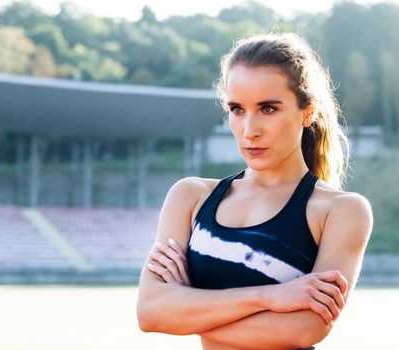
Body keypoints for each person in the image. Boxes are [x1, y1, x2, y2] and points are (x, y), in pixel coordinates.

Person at [136, 32, 373, 350]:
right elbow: (150, 314)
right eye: (237, 109)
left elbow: (304, 328)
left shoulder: (340, 211)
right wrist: (270, 296)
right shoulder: (190, 198)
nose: (250, 130)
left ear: (307, 112)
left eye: (269, 109)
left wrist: (188, 310)